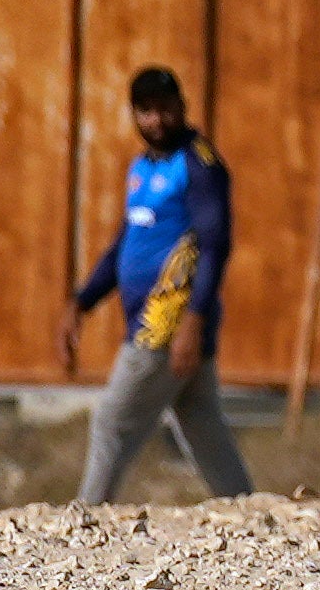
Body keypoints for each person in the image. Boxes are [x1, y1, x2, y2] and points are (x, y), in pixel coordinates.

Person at [69, 68, 246, 503]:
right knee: (201, 423)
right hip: (156, 318)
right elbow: (125, 244)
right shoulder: (141, 169)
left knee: (112, 418)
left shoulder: (199, 165)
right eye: (146, 111)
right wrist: (82, 301)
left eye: (165, 108)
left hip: (165, 319)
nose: (158, 120)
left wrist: (194, 319)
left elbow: (215, 245)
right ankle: (247, 511)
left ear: (182, 107)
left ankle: (86, 517)